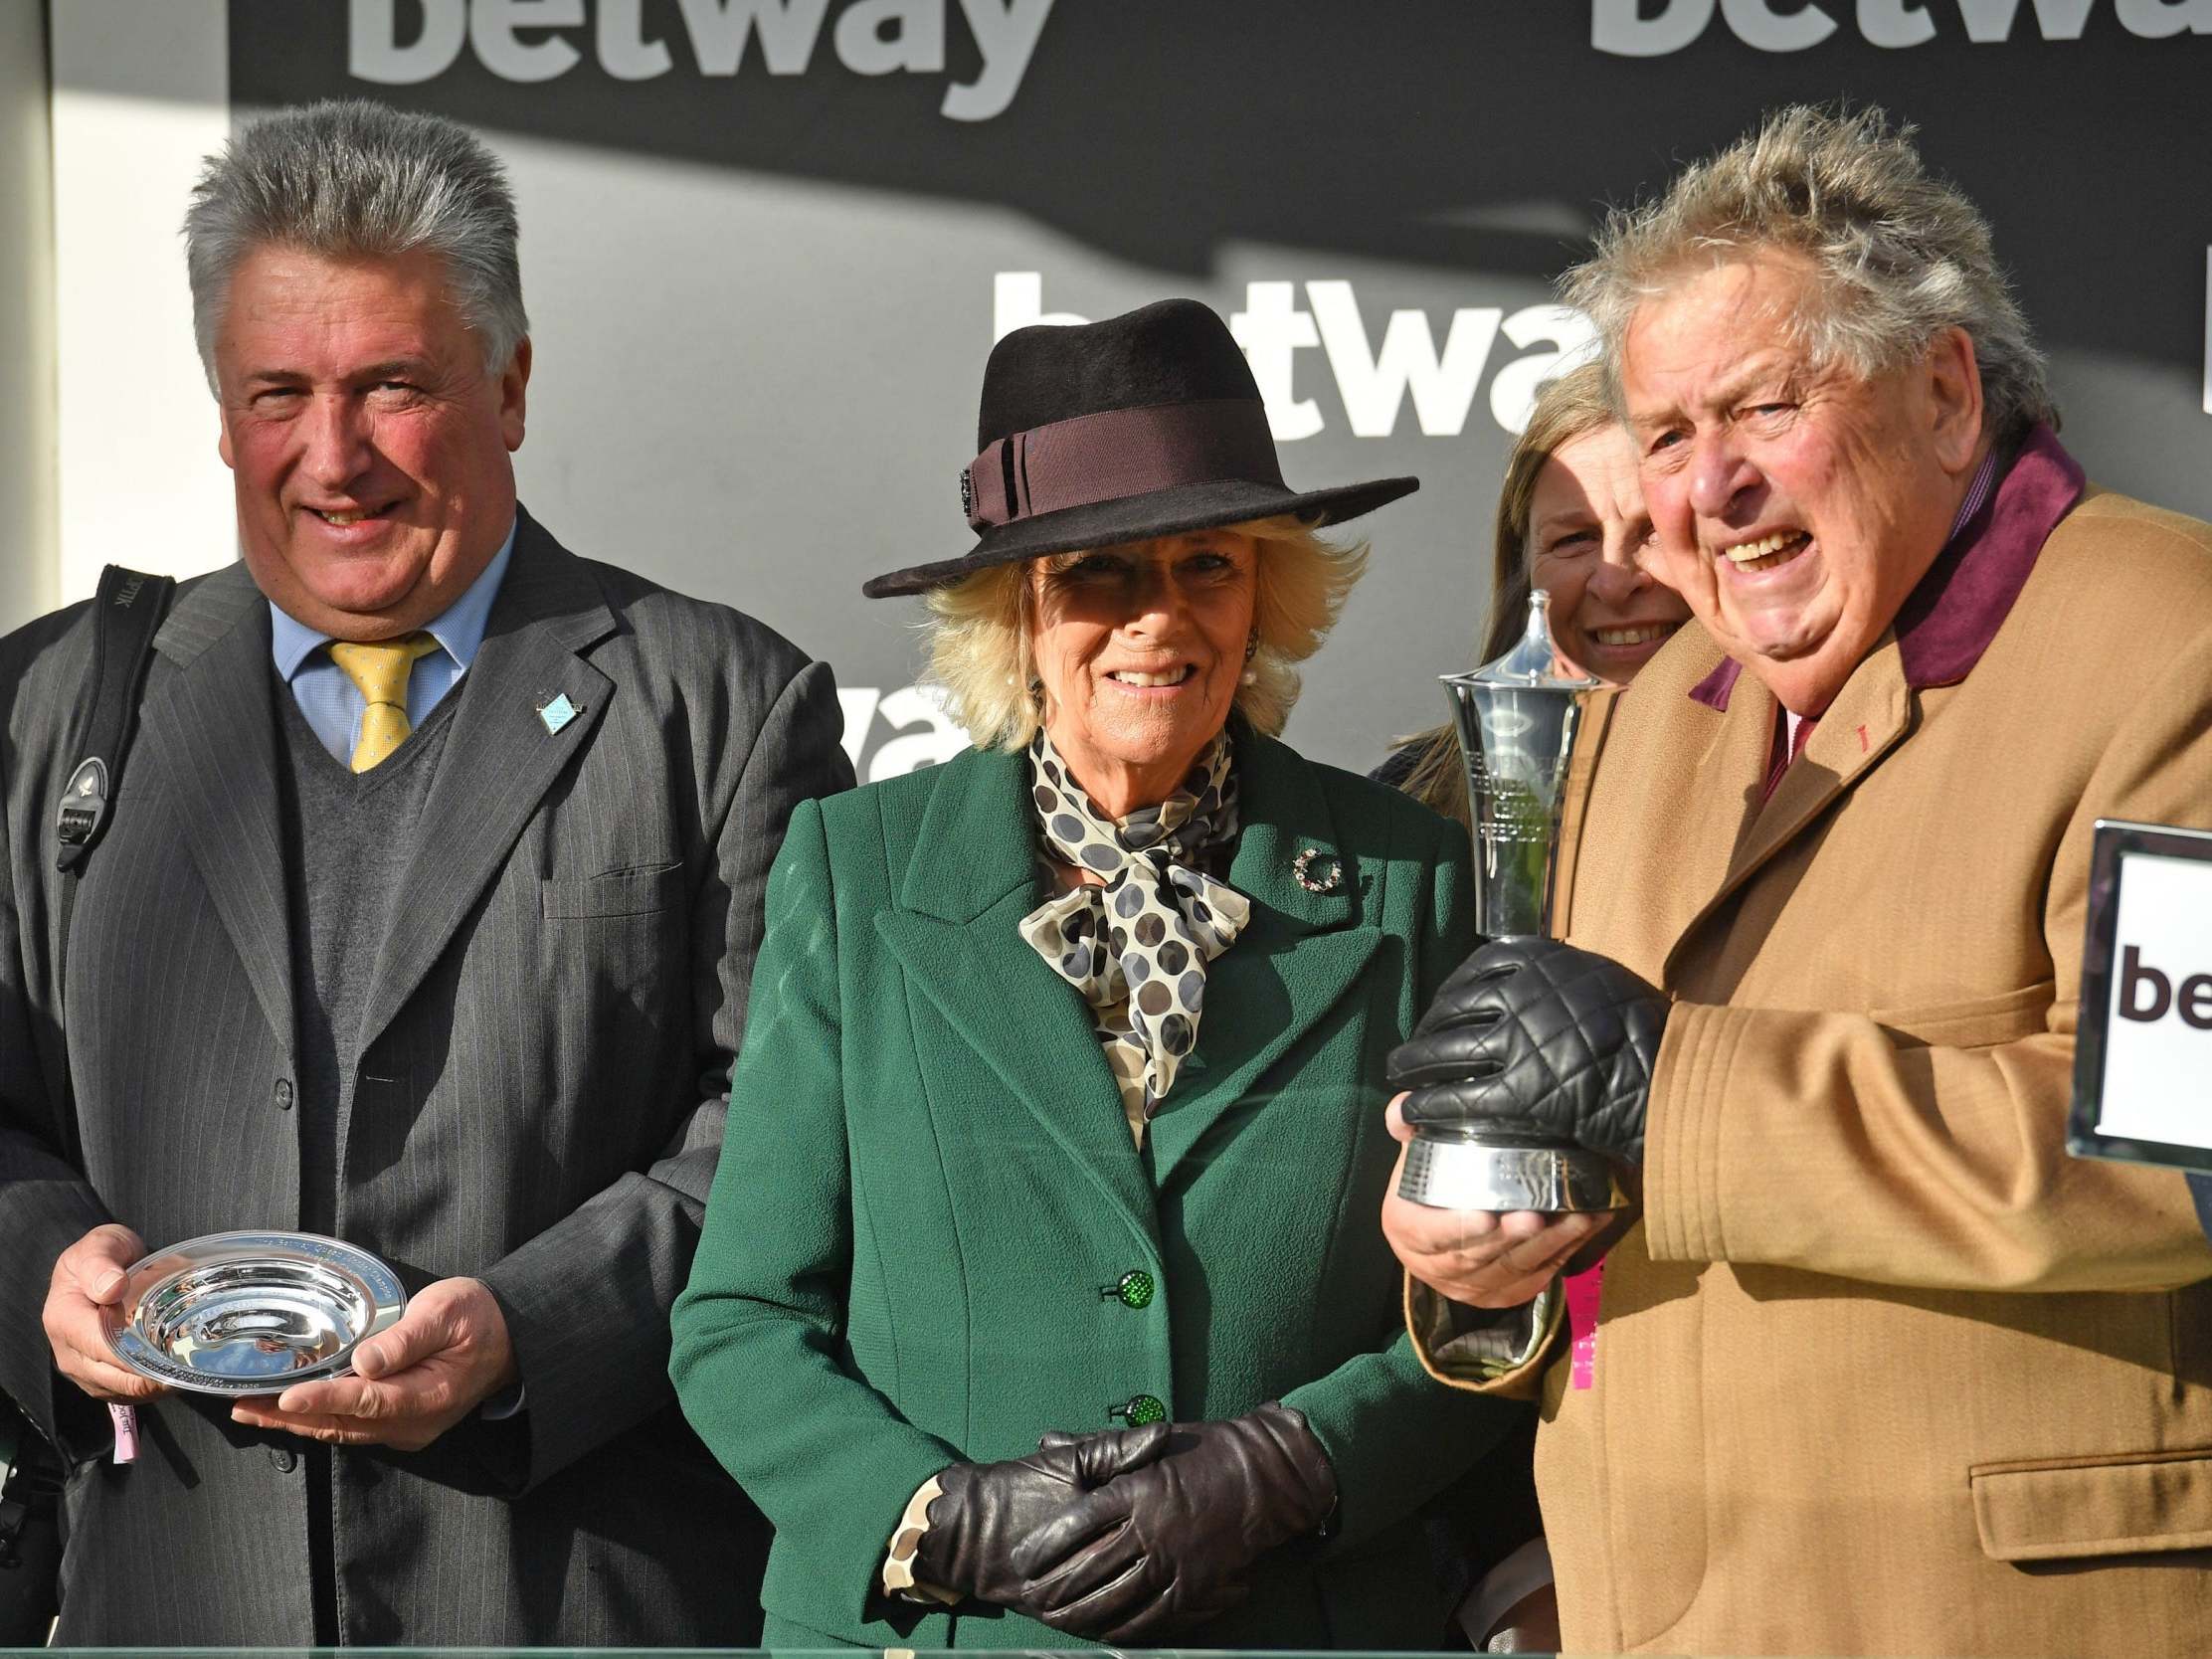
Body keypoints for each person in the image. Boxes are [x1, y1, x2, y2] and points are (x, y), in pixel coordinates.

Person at [0, 100, 850, 1646]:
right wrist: (41, 1260)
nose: (336, 460)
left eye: (394, 387)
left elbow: (797, 1132)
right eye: (279, 394)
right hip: (176, 1601)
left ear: (512, 385)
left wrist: (535, 1332)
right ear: (219, 406)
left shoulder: (720, 706)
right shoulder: (56, 706)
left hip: (572, 1598)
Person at [1382, 106, 2212, 1656]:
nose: (1711, 491)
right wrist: (1480, 1253)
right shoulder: (1644, 723)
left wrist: (1665, 1095)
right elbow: (1604, 1183)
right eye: (1669, 438)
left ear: (1948, 395)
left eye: (1763, 411)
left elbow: (2178, 1147)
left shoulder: (2178, 643)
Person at [671, 297, 1526, 1648]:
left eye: (1206, 565)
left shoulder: (1410, 881)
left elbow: (1490, 1316)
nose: (1161, 620)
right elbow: (738, 1322)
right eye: (1102, 574)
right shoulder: (856, 871)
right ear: (1017, 608)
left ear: (1267, 591)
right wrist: (938, 1517)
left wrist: (1293, 1467)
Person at [1380, 358, 1690, 825]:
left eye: (1656, 530)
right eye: (1574, 539)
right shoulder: (1408, 809)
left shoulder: (1799, 774)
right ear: (1523, 568)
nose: (1614, 581)